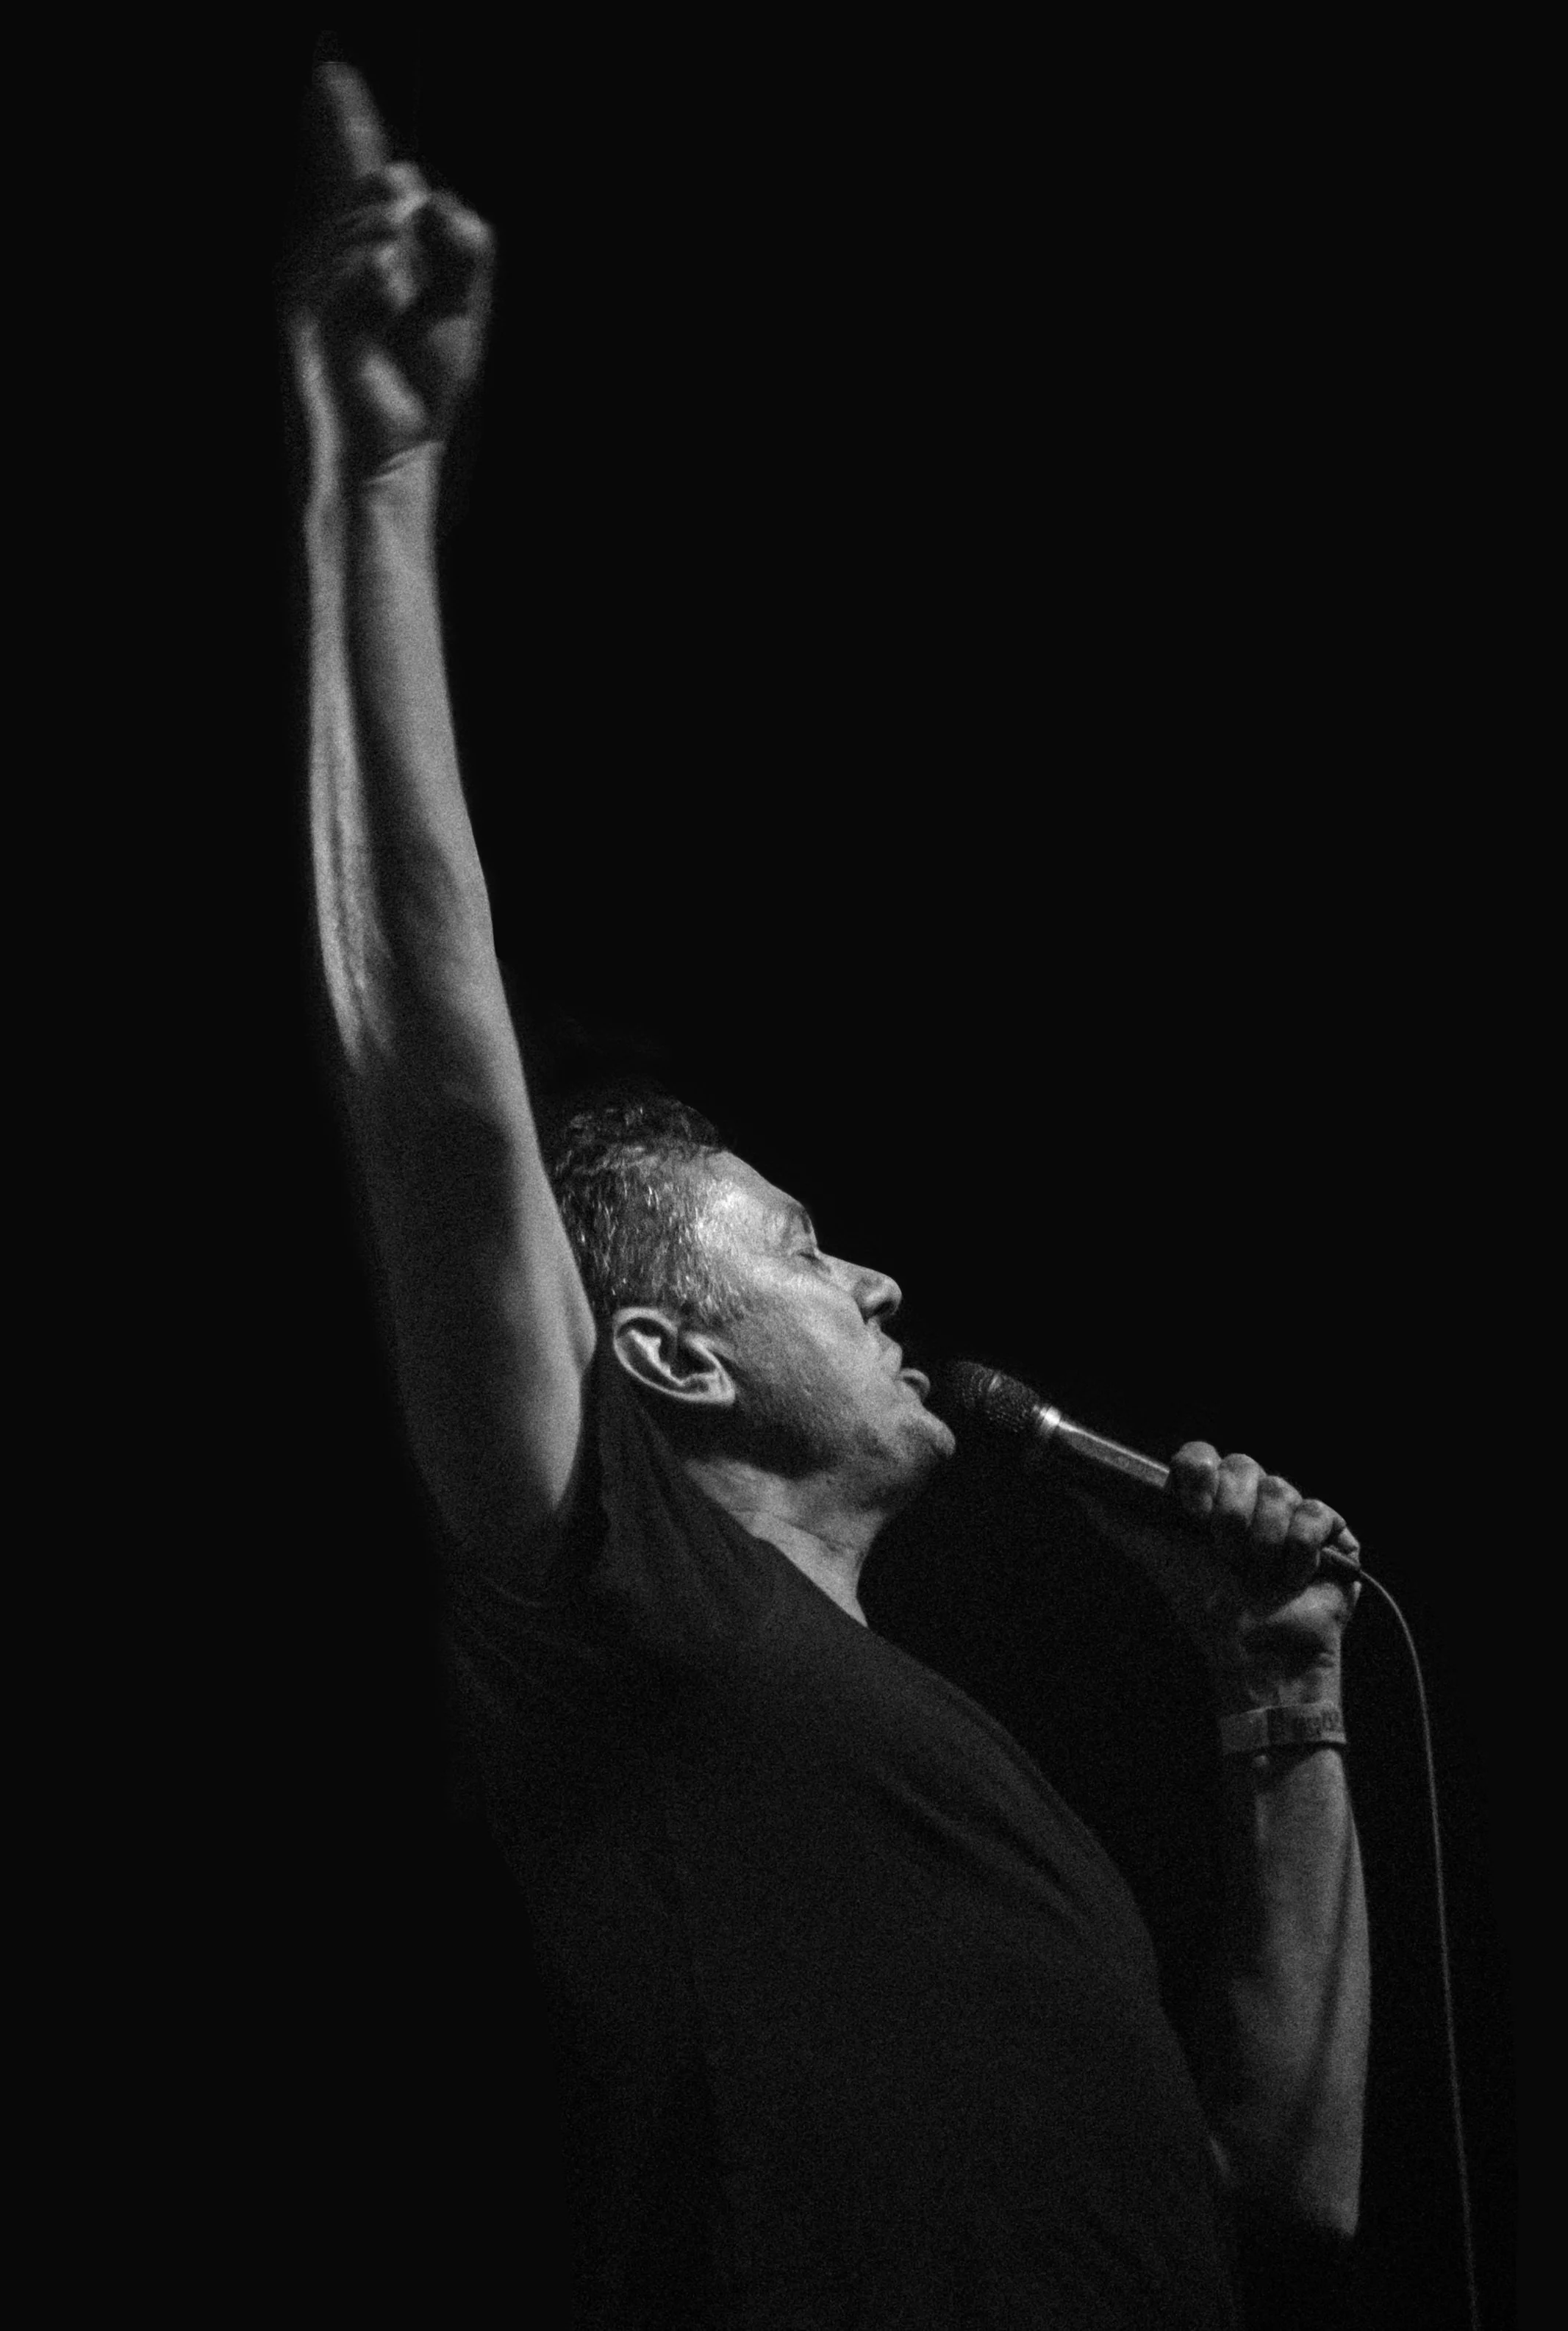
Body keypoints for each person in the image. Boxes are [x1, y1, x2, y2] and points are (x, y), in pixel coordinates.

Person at [284, 62, 1370, 2327]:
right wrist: (377, 480)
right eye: (795, 1241)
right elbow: (438, 1077)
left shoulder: (961, 1776)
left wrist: (1279, 1704)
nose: (874, 1271)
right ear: (661, 1351)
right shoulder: (624, 1601)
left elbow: (1274, 2187)